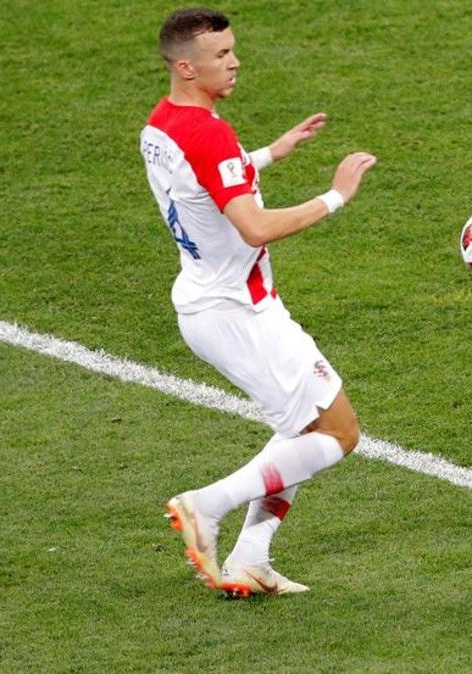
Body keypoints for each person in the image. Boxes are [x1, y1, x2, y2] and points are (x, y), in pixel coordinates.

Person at [139, 7, 376, 597]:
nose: (235, 60)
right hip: (239, 313)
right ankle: (205, 505)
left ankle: (251, 557)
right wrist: (336, 196)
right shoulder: (209, 132)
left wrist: (272, 151)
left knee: (299, 429)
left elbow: (203, 180)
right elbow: (253, 227)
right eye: (222, 55)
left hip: (206, 300)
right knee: (336, 433)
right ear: (188, 66)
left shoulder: (162, 124)